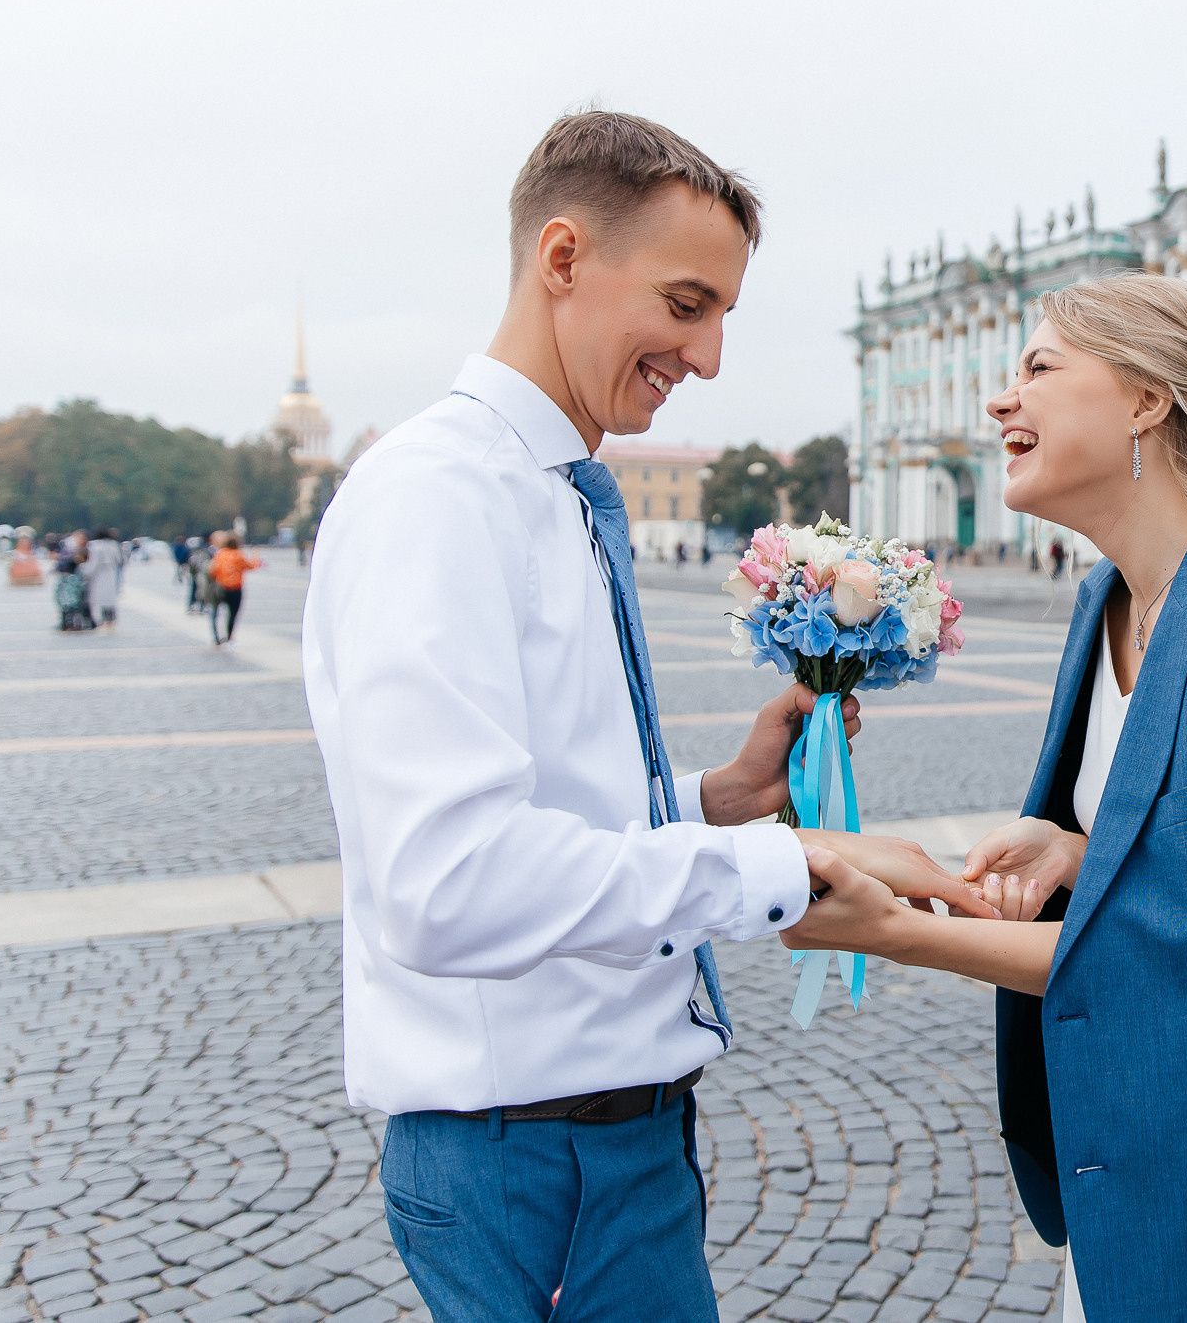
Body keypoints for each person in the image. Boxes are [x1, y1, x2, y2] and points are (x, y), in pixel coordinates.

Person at [299, 111, 991, 1323]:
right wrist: (790, 857)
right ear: (562, 259)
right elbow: (447, 878)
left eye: (721, 313)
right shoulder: (439, 497)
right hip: (534, 1154)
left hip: (597, 1138)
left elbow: (540, 801)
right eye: (685, 304)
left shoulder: (546, 487)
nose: (709, 354)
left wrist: (719, 794)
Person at [784, 274, 1187, 1319]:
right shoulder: (1102, 602)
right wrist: (1065, 854)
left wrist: (899, 926)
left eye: (1038, 368)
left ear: (1144, 402)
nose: (1000, 400)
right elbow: (1174, 898)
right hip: (1113, 1207)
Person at [207, 533, 260, 646]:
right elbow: (251, 566)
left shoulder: (220, 554)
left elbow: (212, 571)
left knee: (215, 612)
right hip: (236, 588)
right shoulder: (239, 555)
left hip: (222, 587)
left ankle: (216, 637)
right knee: (233, 613)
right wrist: (256, 554)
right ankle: (229, 638)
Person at [82, 527, 123, 629]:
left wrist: (86, 573)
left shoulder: (95, 545)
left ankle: (100, 620)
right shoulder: (114, 545)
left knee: (98, 598)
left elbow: (93, 562)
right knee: (110, 598)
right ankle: (111, 619)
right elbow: (119, 560)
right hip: (111, 572)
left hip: (99, 574)